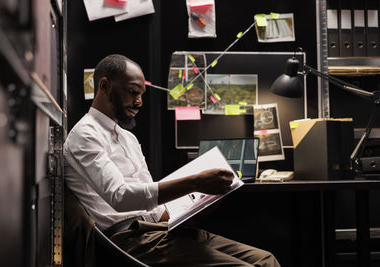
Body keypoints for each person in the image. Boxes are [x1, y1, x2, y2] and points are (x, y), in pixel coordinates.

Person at [64, 54, 280, 267]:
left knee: (266, 260)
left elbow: (154, 209)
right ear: (104, 86)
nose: (139, 102)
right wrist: (194, 182)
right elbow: (119, 197)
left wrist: (197, 206)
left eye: (141, 94)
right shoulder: (85, 135)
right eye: (132, 92)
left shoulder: (128, 138)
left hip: (159, 230)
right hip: (129, 239)